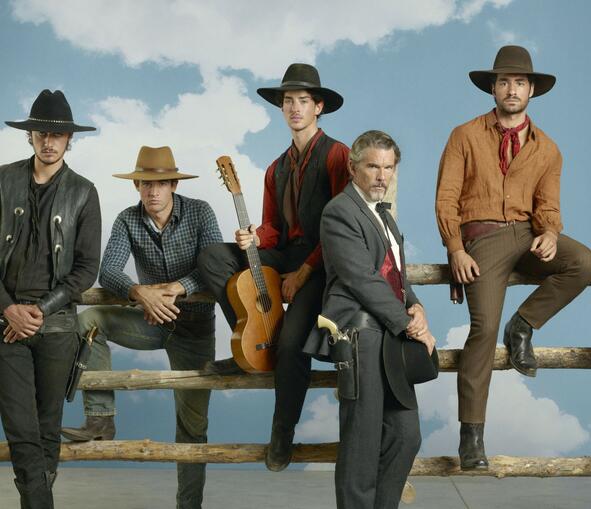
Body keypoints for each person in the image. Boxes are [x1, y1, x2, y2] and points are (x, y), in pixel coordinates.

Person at [435, 45, 591, 470]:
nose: (512, 89)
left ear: (531, 90)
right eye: (504, 81)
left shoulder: (549, 149)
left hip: (527, 235)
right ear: (492, 88)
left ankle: (523, 325)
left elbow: (549, 205)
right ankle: (472, 435)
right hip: (482, 239)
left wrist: (549, 232)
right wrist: (454, 248)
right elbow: (446, 199)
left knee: (583, 262)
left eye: (520, 82)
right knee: (482, 331)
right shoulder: (464, 135)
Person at [197, 63, 350, 471]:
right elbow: (273, 229)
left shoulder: (339, 155)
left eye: (303, 101)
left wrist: (303, 273)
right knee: (214, 256)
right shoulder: (275, 168)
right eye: (288, 101)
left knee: (293, 345)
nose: (294, 108)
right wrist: (254, 238)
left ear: (319, 107)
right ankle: (252, 338)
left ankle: (282, 430)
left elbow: (341, 230)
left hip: (323, 262)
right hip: (286, 253)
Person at [60, 146, 222, 509]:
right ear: (136, 186)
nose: (153, 191)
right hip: (151, 323)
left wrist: (177, 288)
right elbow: (109, 271)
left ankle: (188, 505)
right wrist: (139, 293)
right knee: (89, 320)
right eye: (145, 184)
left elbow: (216, 267)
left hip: (194, 329)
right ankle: (100, 422)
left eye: (161, 183)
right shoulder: (126, 219)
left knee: (192, 426)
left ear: (173, 185)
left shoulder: (200, 212)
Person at [304, 130, 435, 509]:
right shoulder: (339, 212)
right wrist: (410, 324)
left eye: (388, 167)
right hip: (359, 334)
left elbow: (397, 275)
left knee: (405, 434)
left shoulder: (385, 217)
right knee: (361, 442)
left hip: (390, 332)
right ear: (353, 167)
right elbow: (361, 278)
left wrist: (417, 306)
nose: (382, 175)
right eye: (373, 166)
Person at [0, 89, 101, 508]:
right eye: (42, 132)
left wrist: (40, 310)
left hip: (56, 325)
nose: (49, 141)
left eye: (57, 135)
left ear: (68, 140)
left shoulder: (84, 191)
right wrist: (9, 308)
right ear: (30, 136)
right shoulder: (2, 180)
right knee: (22, 432)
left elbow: (86, 269)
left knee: (47, 430)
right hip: (6, 325)